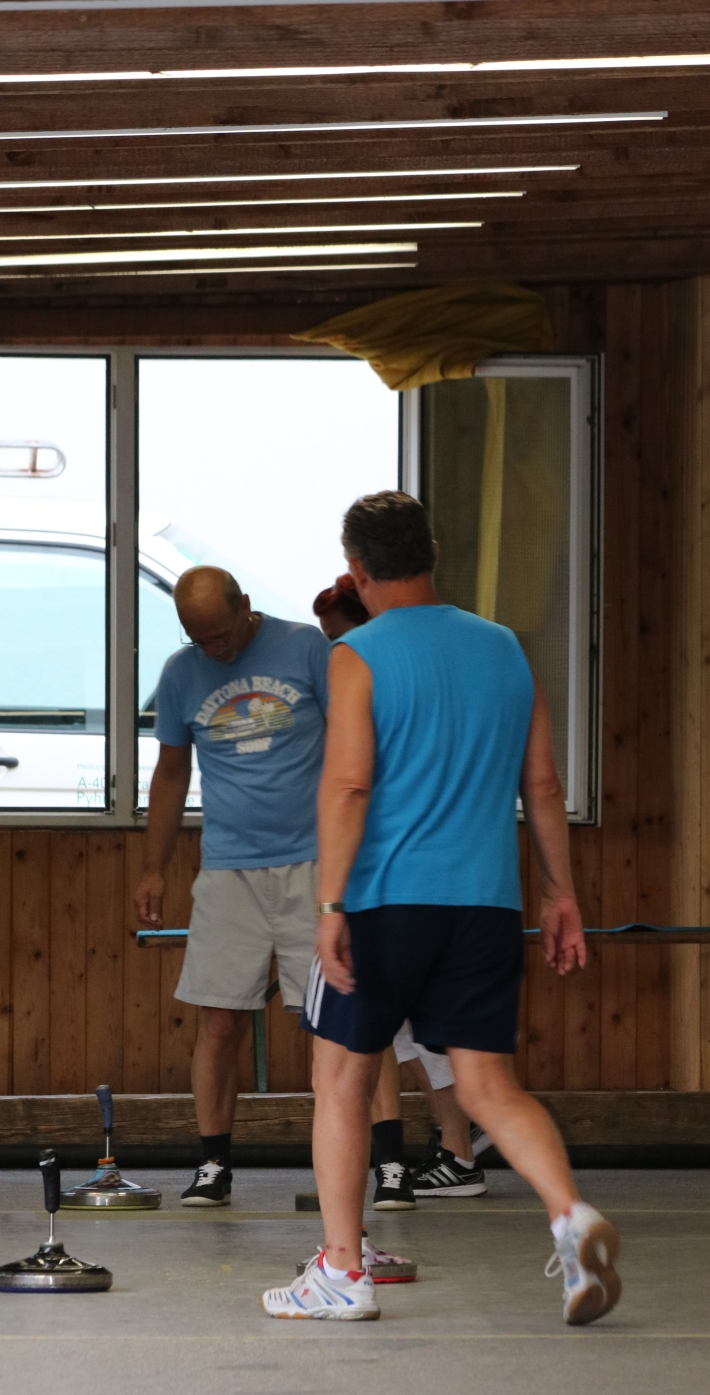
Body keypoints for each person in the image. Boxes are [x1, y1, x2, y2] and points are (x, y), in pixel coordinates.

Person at [263, 492, 621, 1324]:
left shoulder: (356, 654)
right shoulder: (503, 647)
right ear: (431, 553)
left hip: (383, 900)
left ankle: (340, 1272)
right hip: (484, 902)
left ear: (356, 569)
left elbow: (348, 786)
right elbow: (542, 786)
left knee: (341, 1079)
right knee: (488, 1084)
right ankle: (571, 1217)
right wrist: (560, 892)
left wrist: (329, 903)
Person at [134, 566, 330, 1206]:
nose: (212, 649)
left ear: (245, 605)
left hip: (314, 862)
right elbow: (169, 774)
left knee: (332, 1021)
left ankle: (367, 1160)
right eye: (198, 639)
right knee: (219, 1019)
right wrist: (154, 867)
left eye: (219, 635)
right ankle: (213, 1163)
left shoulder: (306, 648)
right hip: (228, 868)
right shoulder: (181, 673)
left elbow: (358, 745)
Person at [312, 574, 488, 1206]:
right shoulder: (471, 656)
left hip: (397, 883)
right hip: (466, 882)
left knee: (389, 1047)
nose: (336, 648)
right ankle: (463, 1151)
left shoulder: (373, 672)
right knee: (428, 1041)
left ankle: (456, 1151)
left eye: (340, 635)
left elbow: (353, 789)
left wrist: (332, 903)